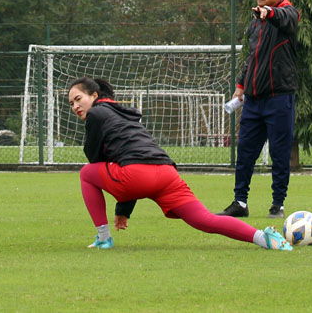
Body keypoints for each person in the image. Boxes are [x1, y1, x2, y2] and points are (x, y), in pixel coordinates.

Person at [68, 77, 292, 251]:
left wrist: (122, 206)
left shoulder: (96, 114)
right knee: (206, 220)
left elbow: (96, 158)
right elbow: (129, 154)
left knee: (87, 173)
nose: (75, 106)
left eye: (79, 99)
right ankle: (264, 238)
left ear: (94, 95)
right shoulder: (121, 113)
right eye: (71, 103)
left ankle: (103, 238)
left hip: (136, 175)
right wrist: (123, 209)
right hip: (165, 172)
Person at [217, 0, 300, 219]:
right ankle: (240, 203)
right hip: (253, 101)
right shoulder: (256, 21)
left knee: (279, 153)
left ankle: (278, 204)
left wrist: (270, 13)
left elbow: (285, 16)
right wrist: (241, 84)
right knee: (245, 153)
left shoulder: (287, 14)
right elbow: (252, 57)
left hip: (279, 99)